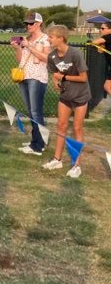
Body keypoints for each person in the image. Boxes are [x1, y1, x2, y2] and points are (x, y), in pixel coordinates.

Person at [43, 25, 91, 178]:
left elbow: (84, 78)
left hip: (80, 97)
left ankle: (76, 165)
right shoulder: (52, 56)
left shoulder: (75, 54)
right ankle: (57, 159)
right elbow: (54, 74)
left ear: (60, 38)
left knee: (77, 129)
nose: (48, 39)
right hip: (65, 96)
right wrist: (55, 82)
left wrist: (63, 78)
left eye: (51, 37)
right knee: (61, 126)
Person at [10, 12, 51, 156]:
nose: (28, 26)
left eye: (31, 23)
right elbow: (20, 60)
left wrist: (30, 46)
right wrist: (17, 48)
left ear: (39, 23)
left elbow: (47, 58)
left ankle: (37, 146)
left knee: (35, 111)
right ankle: (37, 140)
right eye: (26, 23)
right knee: (31, 111)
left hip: (37, 78)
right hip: (24, 77)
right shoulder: (26, 39)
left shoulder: (45, 39)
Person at [91, 22, 111, 109]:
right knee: (107, 86)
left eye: (103, 28)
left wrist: (91, 42)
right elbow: (100, 51)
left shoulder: (108, 36)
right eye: (100, 28)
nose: (100, 30)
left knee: (107, 86)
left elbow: (95, 42)